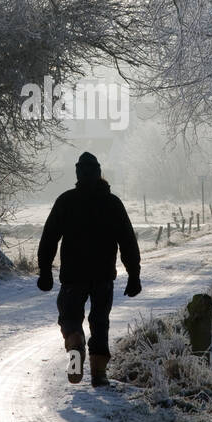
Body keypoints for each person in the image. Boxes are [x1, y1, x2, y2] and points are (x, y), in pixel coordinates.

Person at [37, 152, 141, 386]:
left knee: (70, 319)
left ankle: (75, 347)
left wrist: (45, 270)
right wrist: (134, 274)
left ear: (78, 175)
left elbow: (49, 238)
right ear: (98, 174)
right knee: (100, 322)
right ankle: (98, 374)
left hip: (73, 277)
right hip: (103, 276)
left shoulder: (66, 201)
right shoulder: (112, 203)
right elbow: (127, 241)